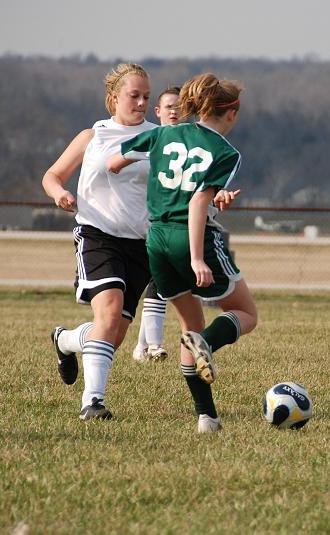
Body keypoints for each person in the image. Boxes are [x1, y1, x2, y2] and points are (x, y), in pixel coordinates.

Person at [42, 65, 237, 421]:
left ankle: (65, 341)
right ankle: (93, 403)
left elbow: (189, 182)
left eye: (147, 97)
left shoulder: (162, 135)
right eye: (135, 95)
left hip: (143, 244)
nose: (143, 102)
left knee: (112, 335)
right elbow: (52, 175)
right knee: (110, 311)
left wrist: (218, 194)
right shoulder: (93, 137)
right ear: (115, 97)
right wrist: (59, 193)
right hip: (97, 235)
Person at [108, 73, 257, 433]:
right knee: (245, 313)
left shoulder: (163, 133)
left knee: (191, 324)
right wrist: (196, 258)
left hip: (155, 239)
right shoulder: (226, 152)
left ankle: (207, 417)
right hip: (191, 239)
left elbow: (114, 162)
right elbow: (196, 203)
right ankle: (206, 344)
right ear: (231, 113)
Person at [132, 86, 181, 363]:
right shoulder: (149, 140)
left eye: (179, 106)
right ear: (158, 111)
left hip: (167, 226)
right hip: (135, 223)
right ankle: (147, 346)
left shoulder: (190, 144)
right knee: (155, 283)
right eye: (169, 106)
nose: (174, 110)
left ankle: (149, 346)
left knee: (159, 281)